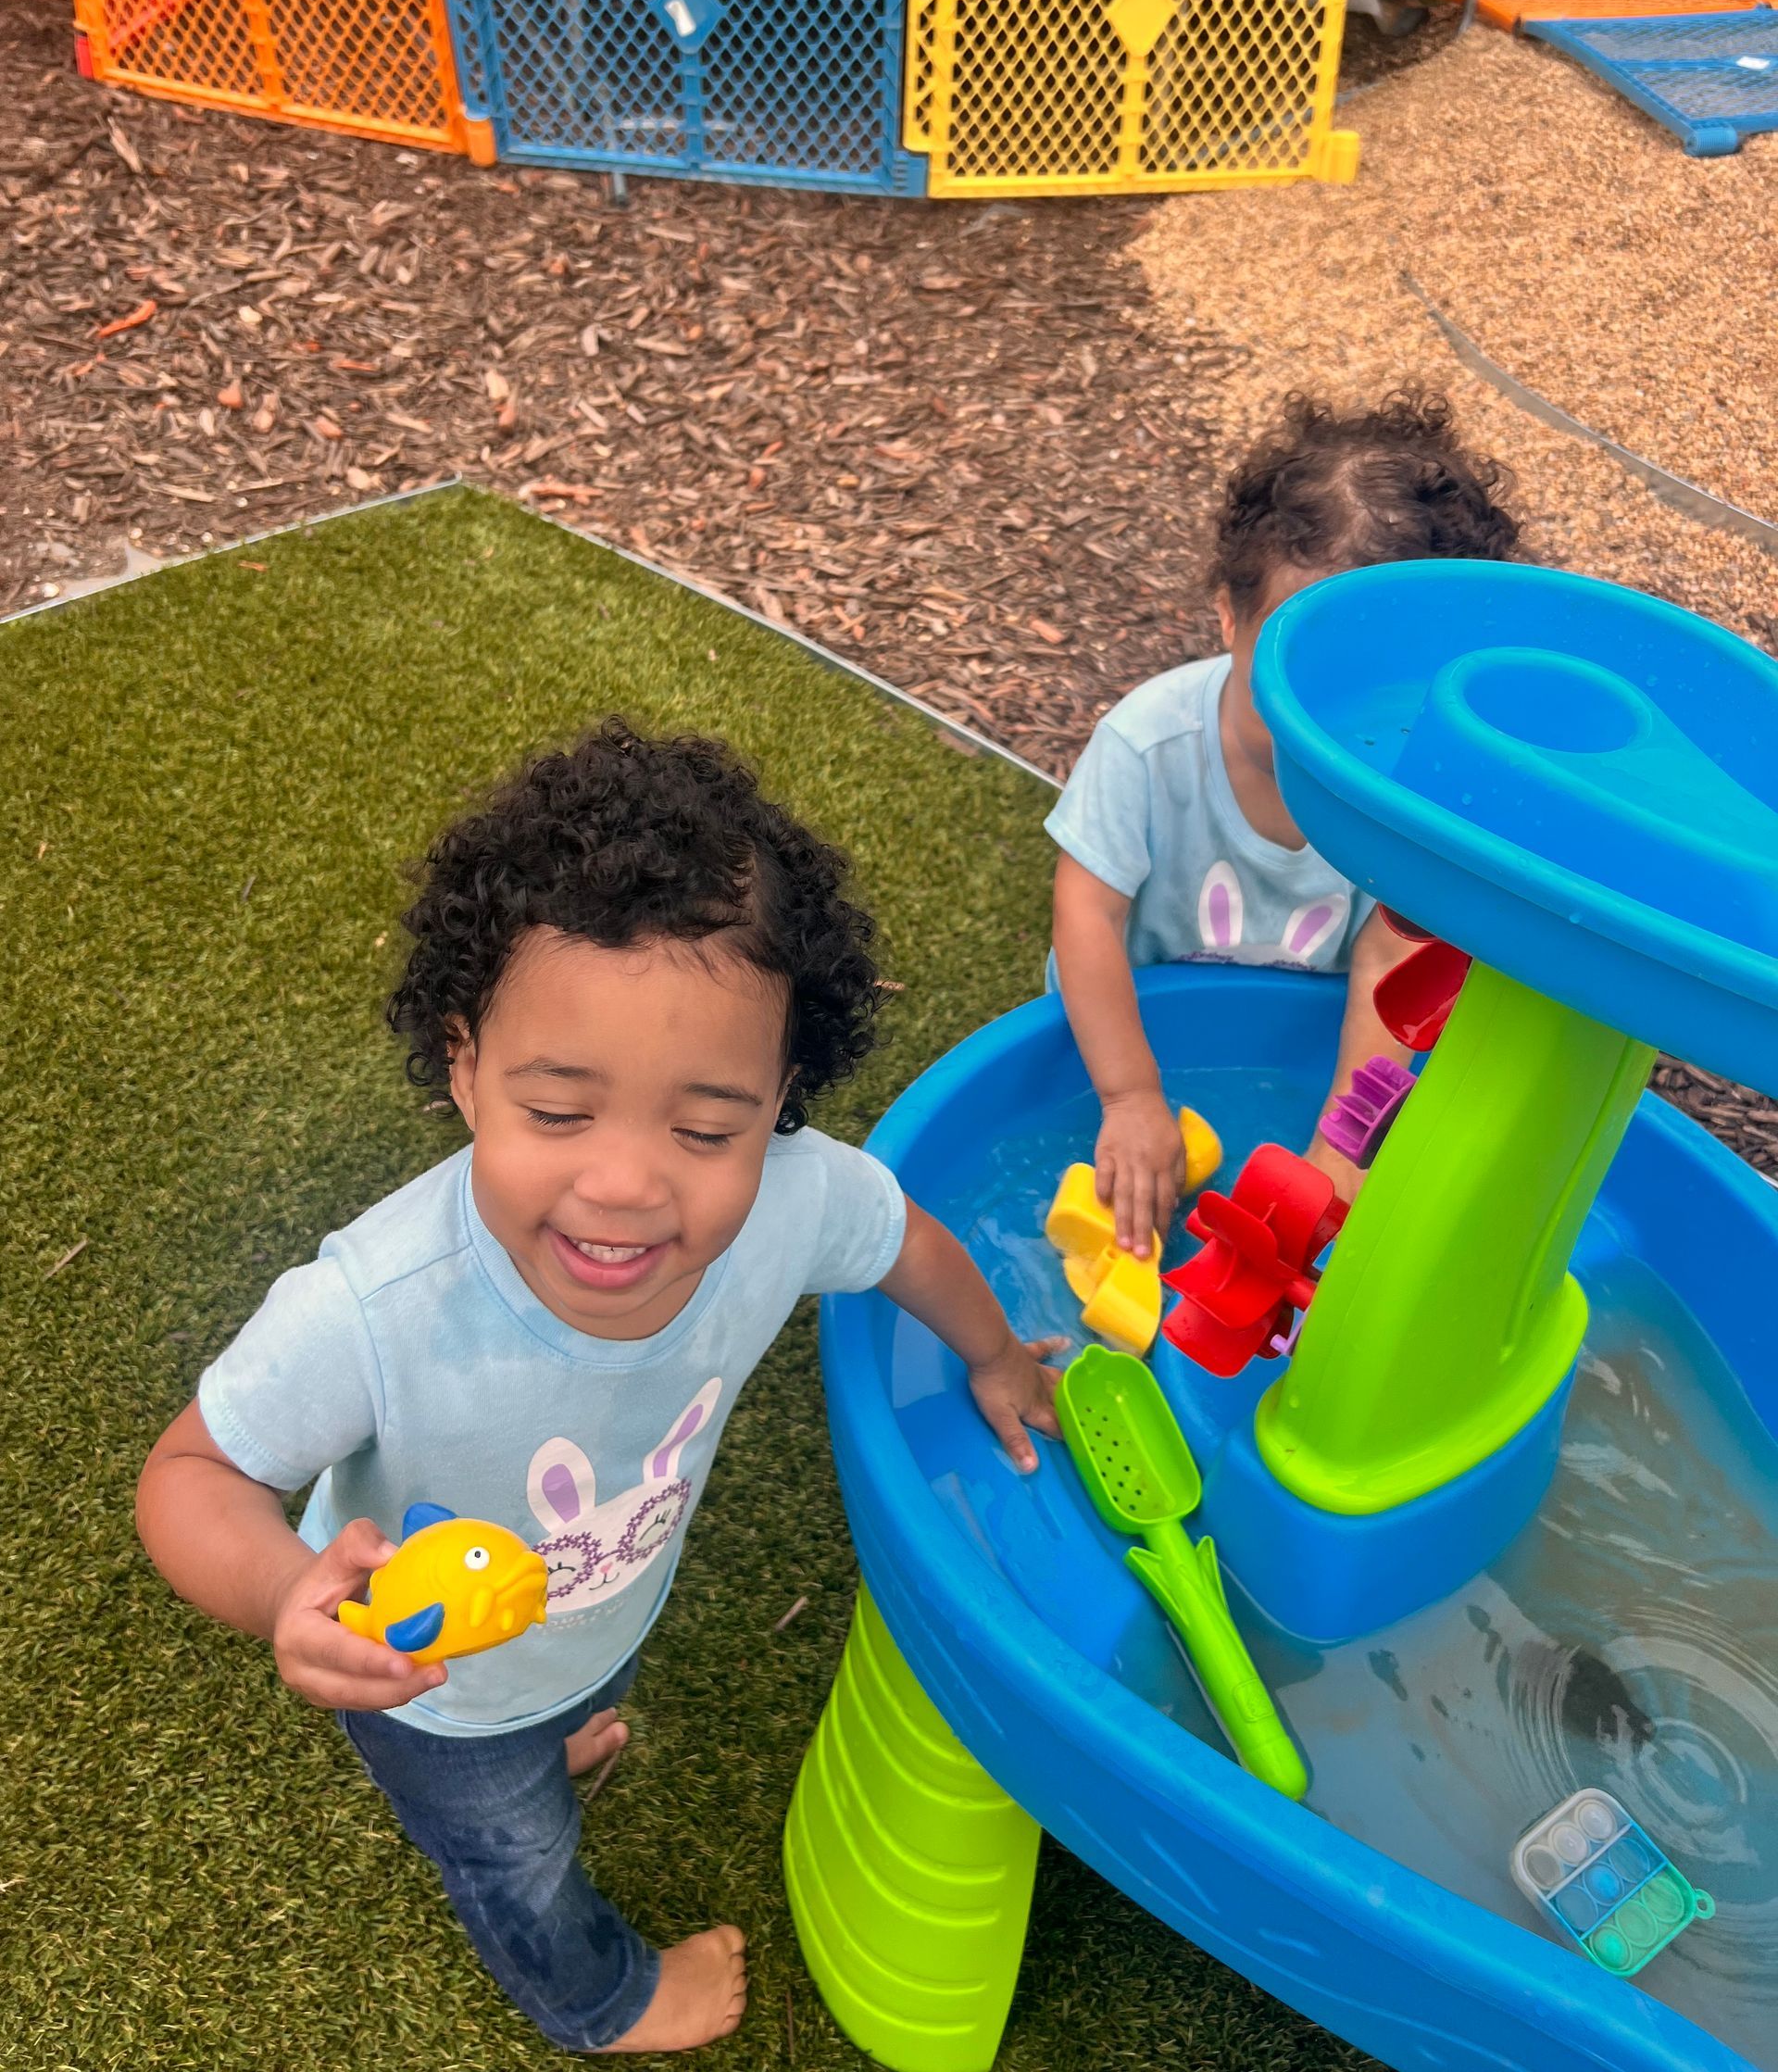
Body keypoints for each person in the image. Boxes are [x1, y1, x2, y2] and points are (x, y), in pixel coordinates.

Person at [136, 722, 1061, 2055]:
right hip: (436, 1692)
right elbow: (193, 1476)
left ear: (782, 1098)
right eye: (559, 1111)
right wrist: (287, 1591)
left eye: (705, 1128)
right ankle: (597, 2000)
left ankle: (554, 1735)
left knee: (567, 1702)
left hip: (598, 1603)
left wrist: (994, 1351)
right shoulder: (374, 1308)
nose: (627, 1185)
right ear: (463, 1065)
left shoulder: (796, 1200)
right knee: (512, 1859)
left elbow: (903, 1239)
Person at [1048, 391, 1521, 1251]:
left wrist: (1340, 1150)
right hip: (1132, 1023)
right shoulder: (1148, 746)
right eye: (1294, 670)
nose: (1322, 725)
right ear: (1228, 616)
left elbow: (1390, 953)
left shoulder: (1409, 793)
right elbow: (1088, 912)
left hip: (1310, 1032)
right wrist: (1128, 1095)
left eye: (1367, 687)